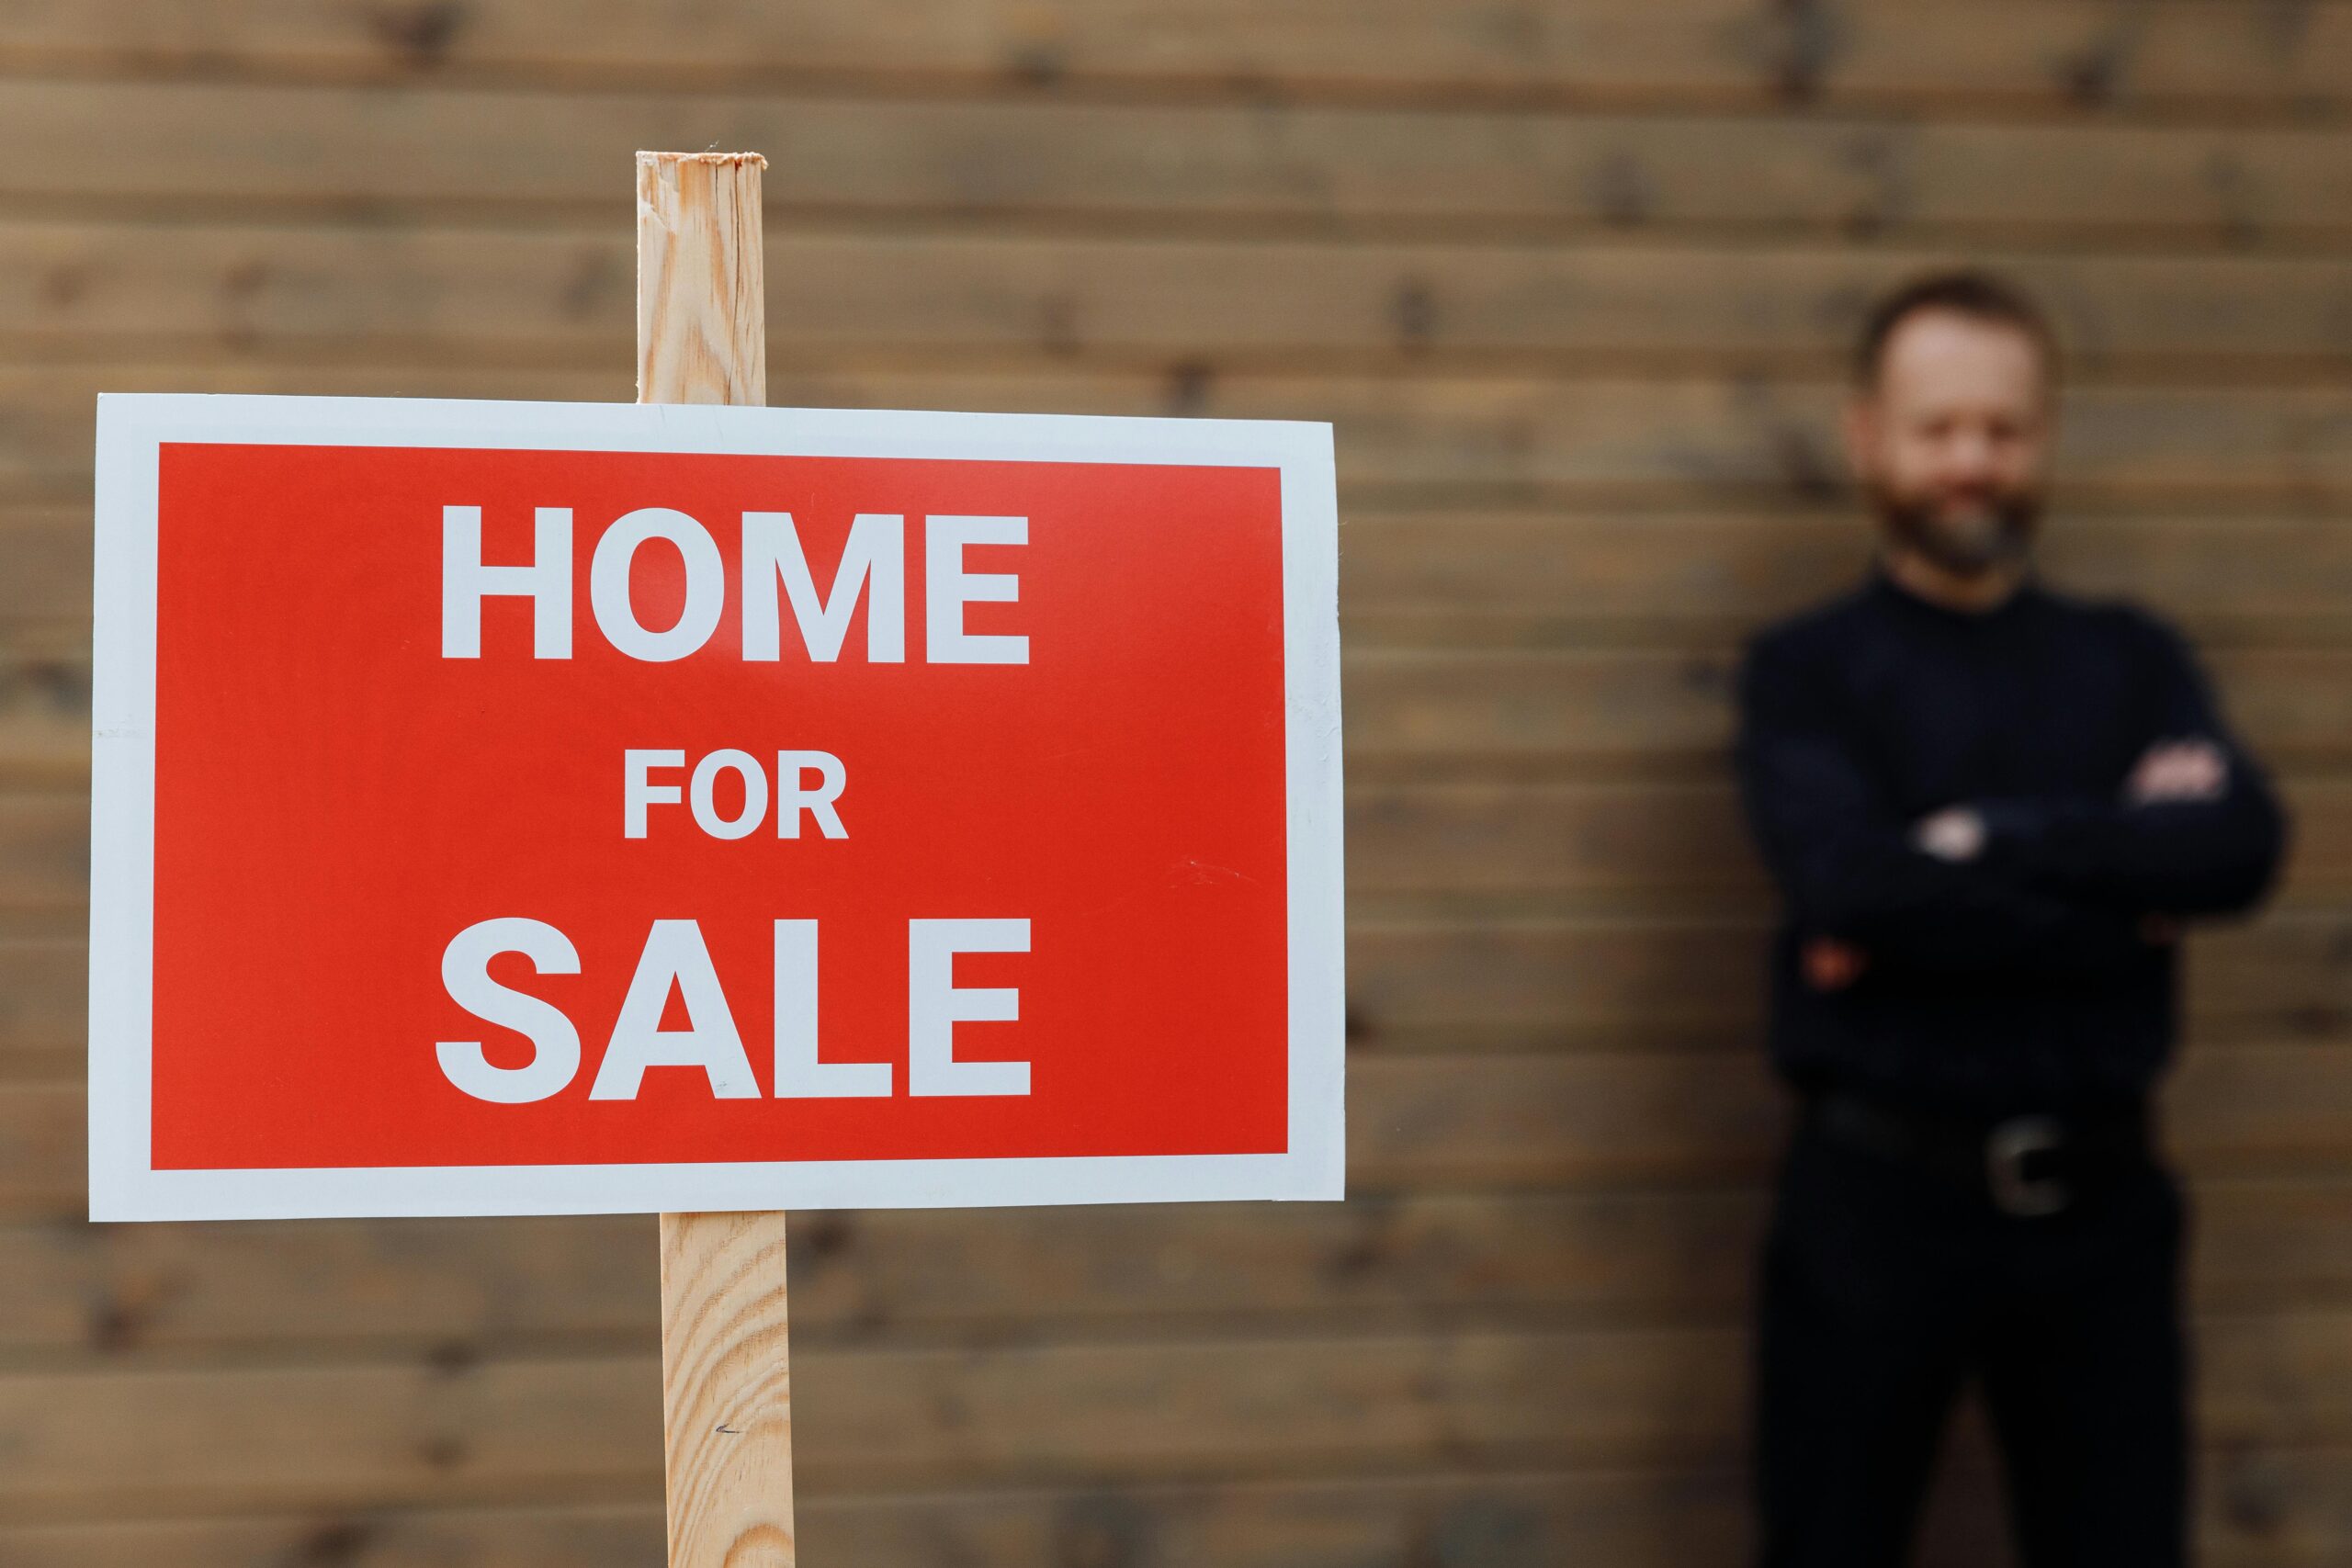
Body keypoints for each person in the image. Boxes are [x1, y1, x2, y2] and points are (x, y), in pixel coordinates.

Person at [1735, 271, 2289, 1566]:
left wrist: (1985, 842)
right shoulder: (1808, 672)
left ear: (2044, 434)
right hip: (1874, 1200)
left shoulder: (2132, 659)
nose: (1972, 462)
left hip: (2100, 1209)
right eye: (1939, 429)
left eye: (2004, 428)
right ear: (1867, 435)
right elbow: (1845, 886)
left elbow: (2237, 850)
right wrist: (2117, 883)